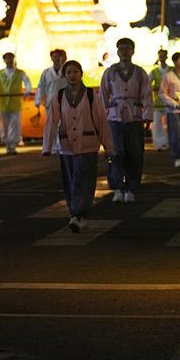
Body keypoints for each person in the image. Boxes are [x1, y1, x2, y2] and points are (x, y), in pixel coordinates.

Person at [43, 60, 114, 233]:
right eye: (69, 73)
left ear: (81, 74)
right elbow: (51, 122)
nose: (72, 76)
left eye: (75, 72)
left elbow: (101, 121)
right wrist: (48, 146)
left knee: (84, 180)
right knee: (70, 181)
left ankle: (79, 213)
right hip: (67, 146)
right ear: (64, 75)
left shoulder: (91, 95)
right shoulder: (59, 96)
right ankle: (75, 214)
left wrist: (108, 146)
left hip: (88, 145)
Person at [99, 38, 152, 203]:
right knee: (115, 153)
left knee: (134, 153)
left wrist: (147, 117)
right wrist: (101, 118)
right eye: (121, 48)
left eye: (127, 48)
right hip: (114, 118)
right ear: (117, 51)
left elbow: (147, 95)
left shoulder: (140, 72)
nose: (124, 51)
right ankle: (117, 188)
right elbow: (102, 95)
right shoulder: (110, 72)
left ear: (133, 51)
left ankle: (131, 187)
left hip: (134, 117)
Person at [0, 51, 32, 154]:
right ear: (4, 60)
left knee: (15, 124)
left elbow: (27, 82)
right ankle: (7, 143)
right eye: (7, 58)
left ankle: (12, 145)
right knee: (5, 125)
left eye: (11, 58)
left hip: (16, 103)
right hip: (3, 104)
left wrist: (27, 90)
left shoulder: (20, 73)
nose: (9, 60)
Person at [35, 49, 67, 152]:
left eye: (58, 56)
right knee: (51, 124)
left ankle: (61, 145)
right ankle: (52, 146)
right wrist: (38, 100)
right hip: (50, 103)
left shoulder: (66, 71)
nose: (56, 58)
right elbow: (41, 87)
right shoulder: (46, 72)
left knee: (63, 124)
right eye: (54, 56)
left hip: (65, 102)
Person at [149, 49, 171, 151]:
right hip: (157, 102)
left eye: (163, 56)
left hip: (170, 101)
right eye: (160, 56)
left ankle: (169, 143)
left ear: (166, 57)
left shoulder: (172, 70)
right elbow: (147, 85)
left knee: (170, 124)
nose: (162, 58)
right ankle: (158, 144)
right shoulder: (154, 72)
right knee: (157, 124)